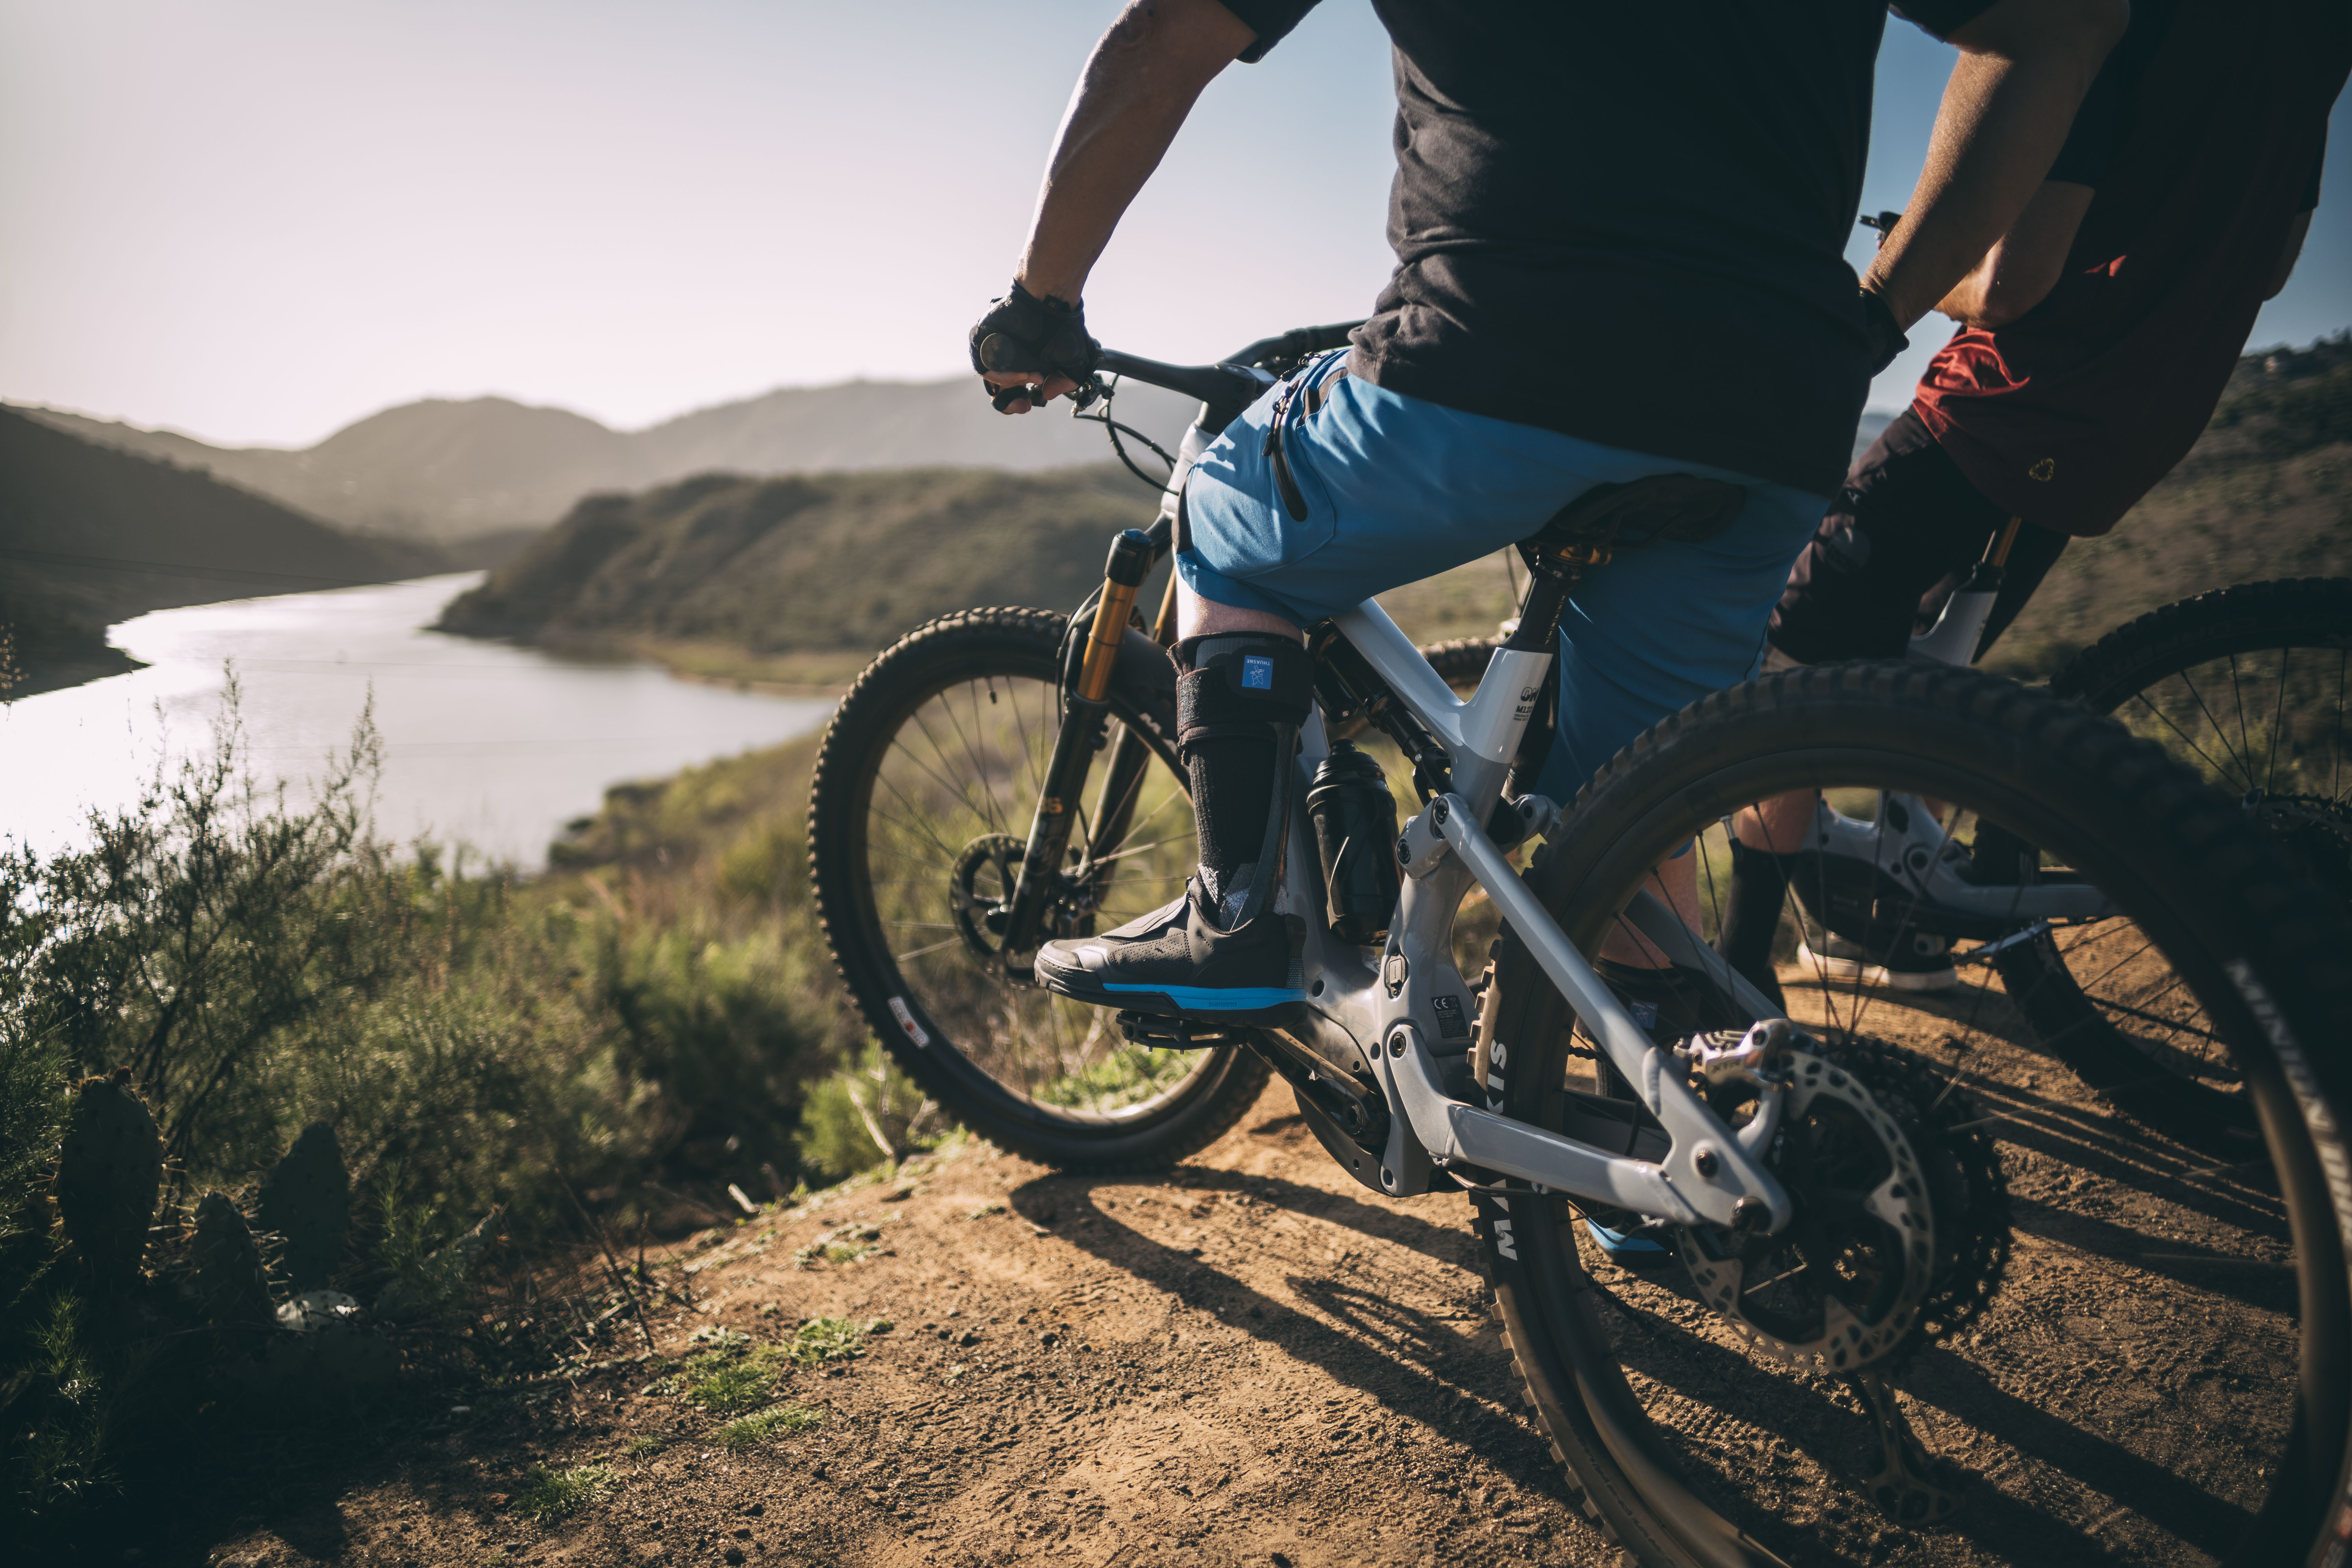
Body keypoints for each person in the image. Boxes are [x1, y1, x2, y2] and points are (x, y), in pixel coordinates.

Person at [969, 0, 2126, 1019]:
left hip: (1494, 354)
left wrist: (1041, 303)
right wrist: (1878, 311)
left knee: (1225, 510)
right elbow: (2065, 21)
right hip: (1776, 402)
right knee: (1620, 820)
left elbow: (1164, 37)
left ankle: (1242, 911)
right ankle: (1659, 1147)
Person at [1718, 0, 2349, 997]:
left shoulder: (2116, 15)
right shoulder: (2313, 34)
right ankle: (1891, 907)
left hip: (2011, 399)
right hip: (2136, 414)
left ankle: (1738, 973)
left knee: (1792, 660)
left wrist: (1927, 267)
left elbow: (2010, 282)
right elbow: (2273, 265)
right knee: (1931, 656)